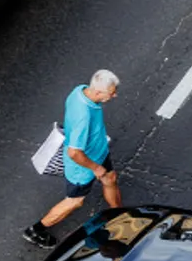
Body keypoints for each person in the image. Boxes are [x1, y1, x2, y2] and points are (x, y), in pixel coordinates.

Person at [23, 70, 122, 249]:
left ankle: (118, 214)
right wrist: (95, 168)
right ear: (99, 92)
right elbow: (74, 153)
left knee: (110, 179)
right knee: (75, 201)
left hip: (99, 152)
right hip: (83, 166)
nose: (115, 95)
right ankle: (36, 230)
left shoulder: (80, 91)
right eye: (112, 92)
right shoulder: (83, 116)